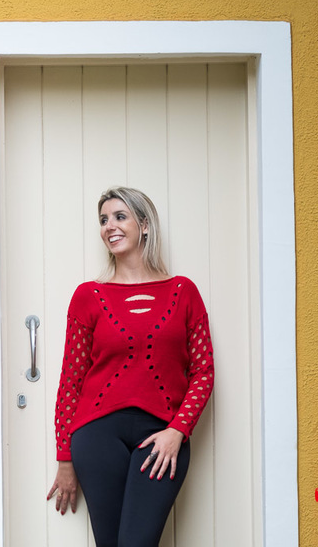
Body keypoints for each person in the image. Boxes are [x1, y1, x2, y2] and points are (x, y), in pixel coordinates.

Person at [46, 187, 214, 547]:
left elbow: (203, 372)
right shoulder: (87, 296)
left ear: (144, 225)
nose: (109, 226)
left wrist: (178, 430)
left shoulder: (184, 292)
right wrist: (65, 458)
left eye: (119, 217)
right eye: (104, 220)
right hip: (95, 438)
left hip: (162, 437)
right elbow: (70, 383)